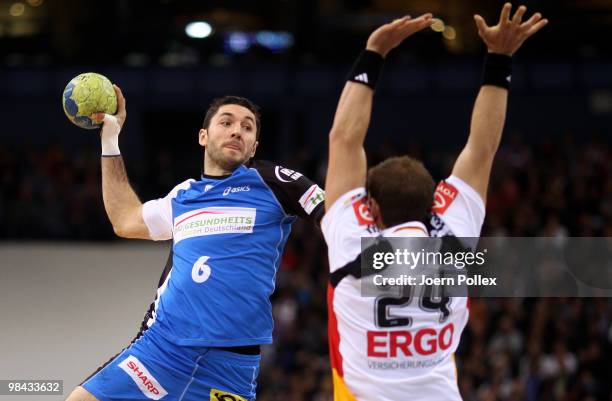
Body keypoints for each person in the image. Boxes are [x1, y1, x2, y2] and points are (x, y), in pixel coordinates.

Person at [321, 4, 547, 400]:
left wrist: (373, 53)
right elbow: (482, 149)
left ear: (371, 210)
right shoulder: (455, 240)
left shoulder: (351, 245)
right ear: (433, 204)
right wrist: (500, 60)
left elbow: (343, 140)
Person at [66, 94, 324, 401]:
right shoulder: (183, 195)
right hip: (162, 350)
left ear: (254, 146)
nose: (237, 131)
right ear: (203, 136)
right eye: (226, 122)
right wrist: (110, 141)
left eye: (247, 127)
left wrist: (391, 281)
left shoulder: (272, 181)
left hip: (229, 366)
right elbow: (125, 220)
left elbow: (338, 213)